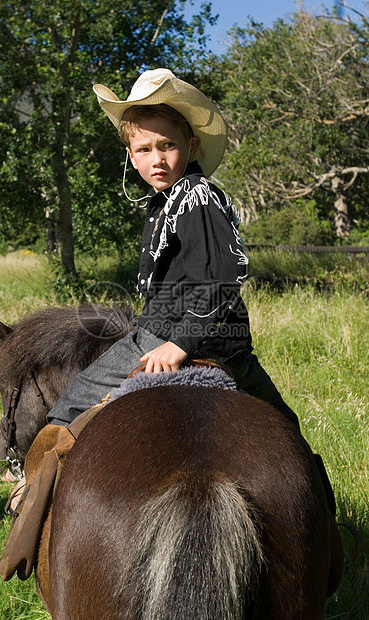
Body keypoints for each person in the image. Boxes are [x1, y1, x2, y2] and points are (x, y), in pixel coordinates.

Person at [46, 68, 300, 429]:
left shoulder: (195, 195)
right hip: (231, 347)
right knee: (288, 426)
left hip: (172, 334)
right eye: (144, 150)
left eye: (168, 146)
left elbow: (221, 275)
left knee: (68, 406)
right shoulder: (168, 200)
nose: (157, 160)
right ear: (131, 157)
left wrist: (179, 344)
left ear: (191, 145)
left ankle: (33, 484)